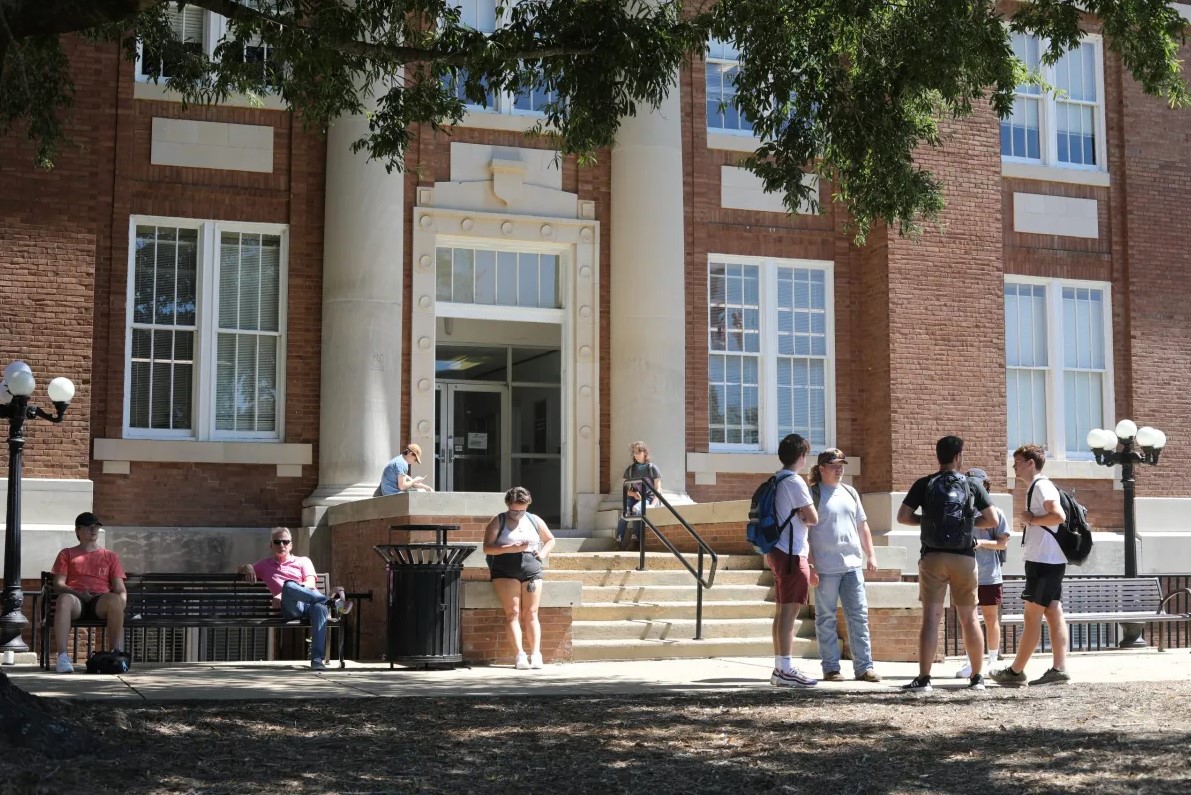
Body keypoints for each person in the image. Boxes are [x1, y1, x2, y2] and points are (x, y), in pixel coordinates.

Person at [897, 436, 999, 692]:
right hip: (964, 557)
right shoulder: (972, 485)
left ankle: (924, 679)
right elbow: (993, 520)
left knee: (931, 619)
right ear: (958, 456)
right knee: (970, 618)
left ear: (938, 456)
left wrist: (928, 521)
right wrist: (967, 524)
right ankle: (977, 677)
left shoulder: (924, 483)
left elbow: (903, 517)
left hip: (933, 557)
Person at [992, 444, 1071, 687]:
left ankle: (1016, 672)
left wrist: (1032, 519)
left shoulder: (1041, 485)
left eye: (1017, 462)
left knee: (1032, 614)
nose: (1013, 466)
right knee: (1053, 611)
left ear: (1030, 463)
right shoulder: (1039, 486)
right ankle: (1059, 669)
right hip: (1050, 559)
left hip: (1043, 561)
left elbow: (1058, 516)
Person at [807, 448, 881, 683]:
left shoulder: (850, 492)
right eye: (834, 465)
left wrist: (871, 555)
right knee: (826, 618)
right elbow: (805, 533)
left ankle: (864, 668)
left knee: (858, 616)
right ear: (822, 469)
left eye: (841, 465)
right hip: (825, 568)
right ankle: (831, 668)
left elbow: (863, 526)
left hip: (852, 566)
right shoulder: (813, 494)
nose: (839, 469)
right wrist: (811, 565)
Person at [239, 527, 351, 671]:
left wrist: (287, 591)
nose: (282, 545)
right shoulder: (265, 565)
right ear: (271, 545)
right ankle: (332, 602)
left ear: (291, 545)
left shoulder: (303, 561)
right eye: (277, 542)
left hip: (311, 603)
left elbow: (310, 583)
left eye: (285, 542)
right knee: (288, 585)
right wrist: (248, 566)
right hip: (291, 608)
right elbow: (239, 569)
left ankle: (317, 660)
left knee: (319, 607)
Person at [766, 434, 820, 688]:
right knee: (790, 612)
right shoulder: (795, 481)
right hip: (792, 552)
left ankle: (780, 667)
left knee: (781, 611)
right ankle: (786, 669)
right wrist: (804, 514)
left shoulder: (776, 479)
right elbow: (813, 518)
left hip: (777, 550)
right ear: (801, 456)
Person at [483, 487, 556, 670]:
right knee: (513, 612)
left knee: (531, 612)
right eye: (514, 510)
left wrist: (542, 554)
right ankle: (520, 655)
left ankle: (536, 654)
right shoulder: (498, 520)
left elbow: (550, 539)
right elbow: (487, 548)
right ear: (508, 505)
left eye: (522, 510)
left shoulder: (534, 519)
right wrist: (510, 548)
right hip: (505, 568)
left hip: (531, 566)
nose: (518, 514)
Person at [51, 512, 128, 674]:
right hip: (76, 600)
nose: (93, 529)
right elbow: (58, 584)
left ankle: (114, 654)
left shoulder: (110, 556)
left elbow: (120, 589)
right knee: (63, 599)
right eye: (88, 526)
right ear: (77, 531)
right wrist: (79, 594)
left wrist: (121, 604)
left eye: (96, 526)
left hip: (100, 601)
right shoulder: (66, 554)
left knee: (115, 600)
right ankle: (62, 657)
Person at [954, 467, 1011, 679]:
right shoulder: (959, 511)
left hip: (989, 574)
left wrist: (981, 543)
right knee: (967, 618)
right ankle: (970, 660)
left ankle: (992, 660)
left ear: (985, 486)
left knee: (990, 617)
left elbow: (1003, 543)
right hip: (965, 573)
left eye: (976, 486)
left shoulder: (996, 513)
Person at [616, 441, 663, 550]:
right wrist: (633, 494)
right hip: (635, 498)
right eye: (634, 453)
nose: (636, 455)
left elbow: (658, 489)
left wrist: (653, 504)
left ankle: (635, 539)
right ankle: (618, 540)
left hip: (649, 499)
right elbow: (625, 489)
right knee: (625, 512)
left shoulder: (652, 468)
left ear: (644, 453)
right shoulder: (630, 470)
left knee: (636, 509)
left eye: (638, 452)